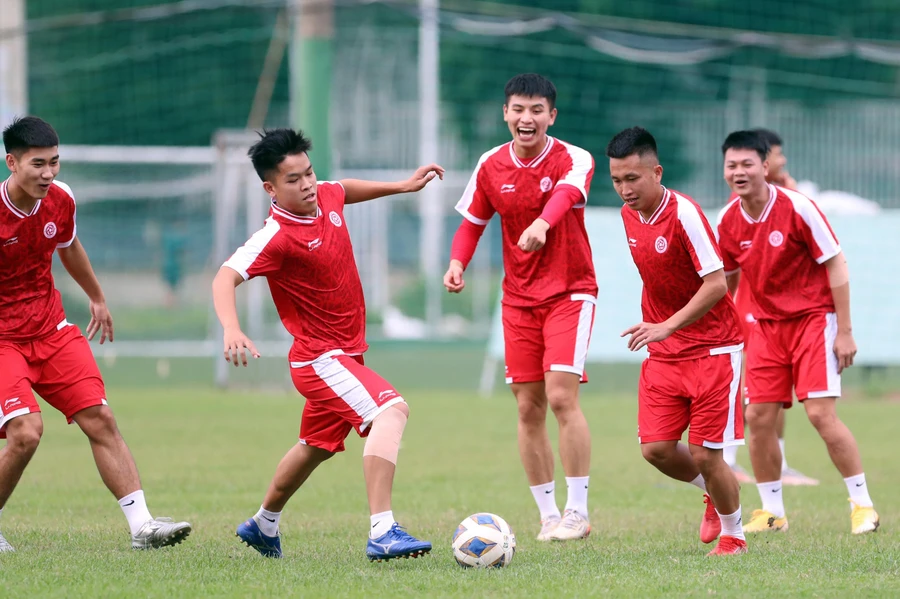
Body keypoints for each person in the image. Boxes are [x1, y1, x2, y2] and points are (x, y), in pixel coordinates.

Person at [212, 128, 443, 561]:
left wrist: (402, 185)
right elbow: (225, 276)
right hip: (320, 358)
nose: (308, 185)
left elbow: (343, 189)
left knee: (314, 447)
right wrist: (231, 327)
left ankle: (263, 524)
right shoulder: (275, 236)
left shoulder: (324, 197)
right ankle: (383, 530)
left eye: (309, 173)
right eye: (294, 180)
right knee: (391, 410)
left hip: (346, 353)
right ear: (270, 188)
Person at [0, 116, 192, 552]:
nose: (49, 174)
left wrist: (97, 297)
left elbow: (68, 245)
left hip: (51, 329)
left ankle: (142, 527)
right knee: (27, 432)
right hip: (3, 340)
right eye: (38, 164)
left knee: (100, 417)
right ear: (11, 162)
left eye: (55, 162)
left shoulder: (61, 199)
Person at [443, 73, 596, 542]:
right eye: (517, 109)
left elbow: (569, 194)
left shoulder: (574, 157)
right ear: (505, 114)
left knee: (561, 396)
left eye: (536, 110)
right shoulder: (491, 164)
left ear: (552, 115)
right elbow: (473, 220)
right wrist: (456, 262)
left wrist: (544, 224)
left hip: (570, 291)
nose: (526, 119)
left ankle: (578, 511)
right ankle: (548, 515)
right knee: (528, 408)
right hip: (519, 300)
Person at [717, 130, 879, 535]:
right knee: (758, 417)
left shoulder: (798, 208)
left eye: (747, 164)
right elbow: (728, 284)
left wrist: (845, 331)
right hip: (766, 328)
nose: (739, 172)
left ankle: (862, 505)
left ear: (765, 167)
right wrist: (728, 333)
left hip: (813, 320)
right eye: (732, 165)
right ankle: (773, 512)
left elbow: (836, 264)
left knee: (821, 414)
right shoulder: (727, 219)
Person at [608, 127, 747, 556]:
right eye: (616, 180)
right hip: (664, 352)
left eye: (633, 178)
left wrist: (667, 324)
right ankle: (715, 490)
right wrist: (660, 329)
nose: (625, 189)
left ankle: (734, 535)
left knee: (705, 453)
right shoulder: (628, 216)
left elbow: (716, 284)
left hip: (714, 349)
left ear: (656, 171)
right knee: (657, 451)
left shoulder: (684, 213)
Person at [724, 128, 819, 487]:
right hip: (751, 309)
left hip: (779, 312)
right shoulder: (743, 200)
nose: (782, 161)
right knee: (746, 386)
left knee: (774, 395)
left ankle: (777, 461)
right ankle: (729, 459)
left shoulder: (789, 199)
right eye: (779, 154)